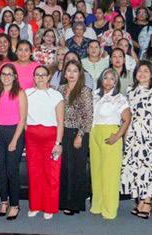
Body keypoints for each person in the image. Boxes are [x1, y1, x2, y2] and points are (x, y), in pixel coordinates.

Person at [121, 61, 152, 219]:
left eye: (146, 71)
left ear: (151, 74)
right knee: (137, 167)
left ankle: (148, 201)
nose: (142, 74)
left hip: (151, 134)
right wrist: (126, 136)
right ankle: (141, 199)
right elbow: (129, 116)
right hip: (134, 134)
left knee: (150, 166)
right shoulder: (131, 91)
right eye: (139, 71)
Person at [89, 68, 130, 220]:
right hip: (94, 134)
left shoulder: (119, 98)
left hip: (110, 133)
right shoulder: (95, 95)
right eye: (105, 77)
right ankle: (97, 205)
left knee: (110, 174)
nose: (108, 81)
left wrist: (118, 136)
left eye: (112, 79)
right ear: (101, 79)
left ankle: (109, 209)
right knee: (96, 172)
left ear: (116, 82)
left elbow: (127, 119)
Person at [24, 65, 64, 220]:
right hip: (32, 138)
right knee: (34, 172)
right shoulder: (27, 93)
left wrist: (58, 143)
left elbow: (60, 121)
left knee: (51, 173)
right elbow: (22, 117)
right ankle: (35, 205)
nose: (40, 77)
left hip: (51, 138)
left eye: (43, 75)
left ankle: (49, 207)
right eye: (37, 75)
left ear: (49, 77)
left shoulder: (56, 95)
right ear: (33, 77)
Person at [58, 60, 93, 216]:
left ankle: (75, 203)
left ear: (80, 74)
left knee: (77, 169)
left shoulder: (84, 91)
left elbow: (88, 116)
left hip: (79, 133)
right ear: (64, 74)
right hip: (63, 132)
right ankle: (64, 201)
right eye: (69, 70)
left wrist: (80, 135)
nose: (71, 74)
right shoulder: (60, 89)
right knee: (64, 168)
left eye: (75, 71)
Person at [0, 63, 26, 220]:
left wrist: (14, 140)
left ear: (15, 77)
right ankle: (3, 201)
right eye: (3, 74)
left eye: (9, 74)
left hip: (14, 134)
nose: (6, 77)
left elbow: (22, 119)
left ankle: (15, 205)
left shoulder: (20, 93)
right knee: (1, 170)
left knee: (12, 171)